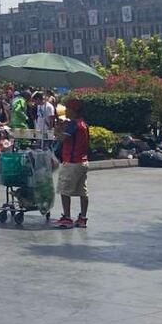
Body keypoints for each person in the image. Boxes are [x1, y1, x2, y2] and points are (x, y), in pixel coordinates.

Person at [54, 98, 89, 229]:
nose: (66, 111)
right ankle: (82, 218)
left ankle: (67, 217)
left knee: (64, 190)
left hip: (72, 161)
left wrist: (57, 129)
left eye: (67, 108)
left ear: (73, 110)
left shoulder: (74, 124)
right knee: (82, 191)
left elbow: (62, 138)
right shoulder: (83, 124)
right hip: (83, 161)